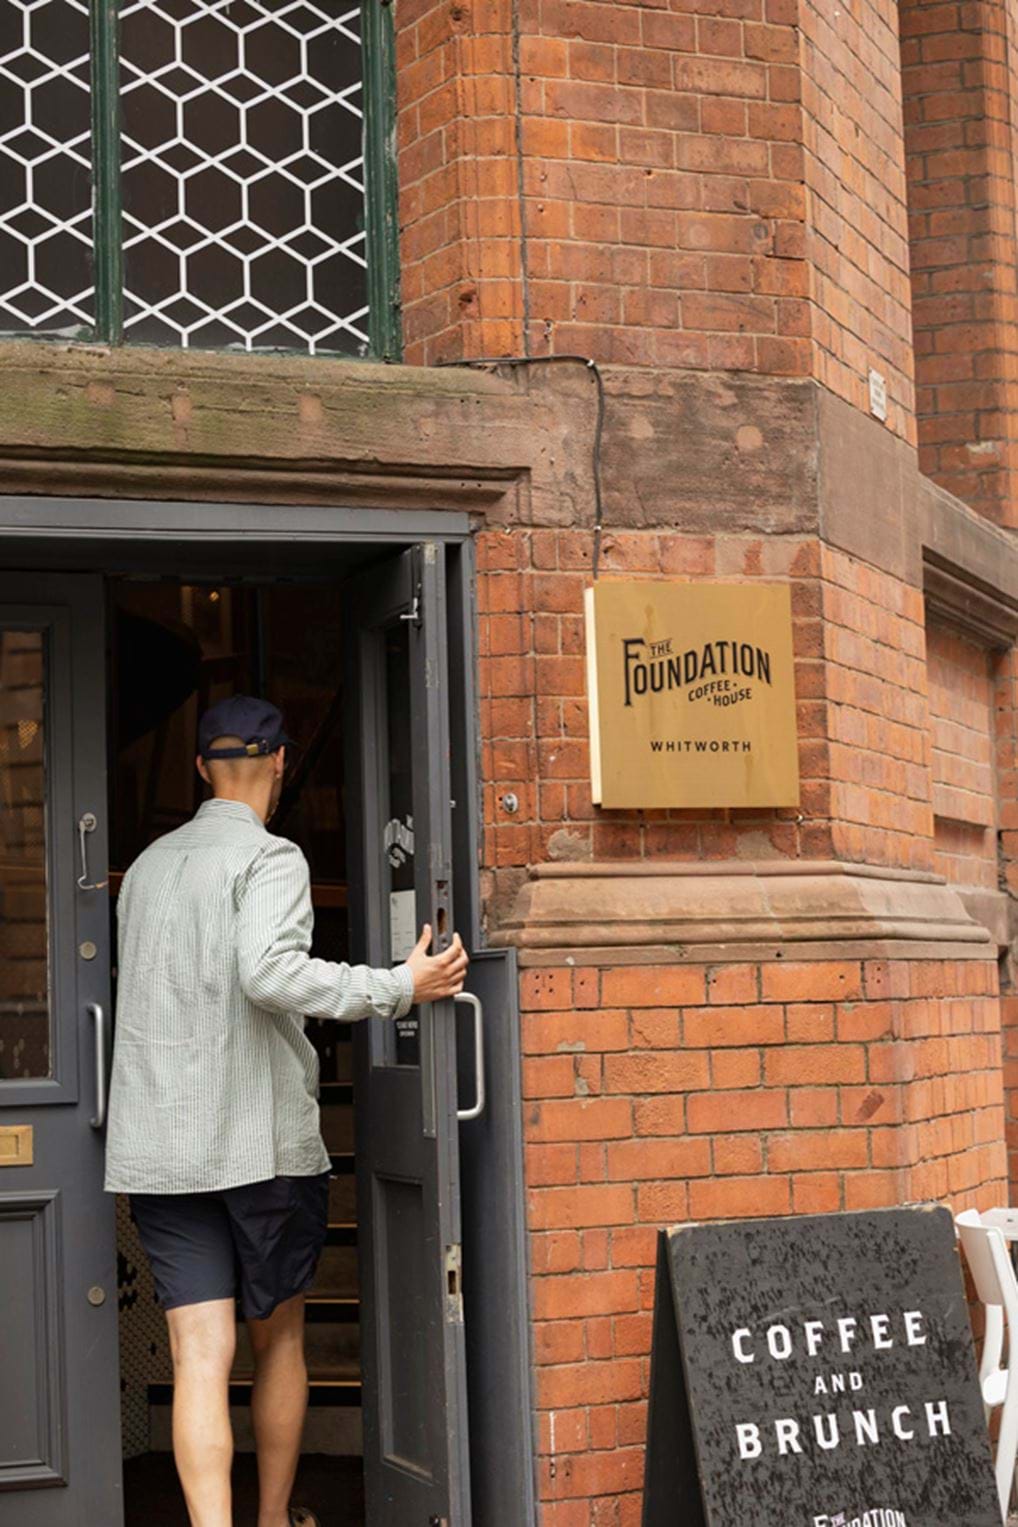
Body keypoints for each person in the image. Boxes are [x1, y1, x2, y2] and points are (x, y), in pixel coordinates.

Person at [104, 695, 469, 1527]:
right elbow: (268, 972)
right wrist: (398, 985)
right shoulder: (272, 858)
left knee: (200, 1355)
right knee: (279, 1342)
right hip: (258, 1145)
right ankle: (271, 1519)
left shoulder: (147, 866)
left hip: (162, 1148)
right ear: (279, 763)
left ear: (201, 767)